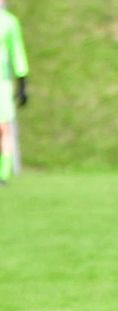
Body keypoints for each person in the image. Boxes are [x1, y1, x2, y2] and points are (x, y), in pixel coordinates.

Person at [0, 0, 28, 185]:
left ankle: (3, 173)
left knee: (3, 128)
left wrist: (22, 82)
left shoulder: (9, 22)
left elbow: (17, 51)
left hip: (2, 82)